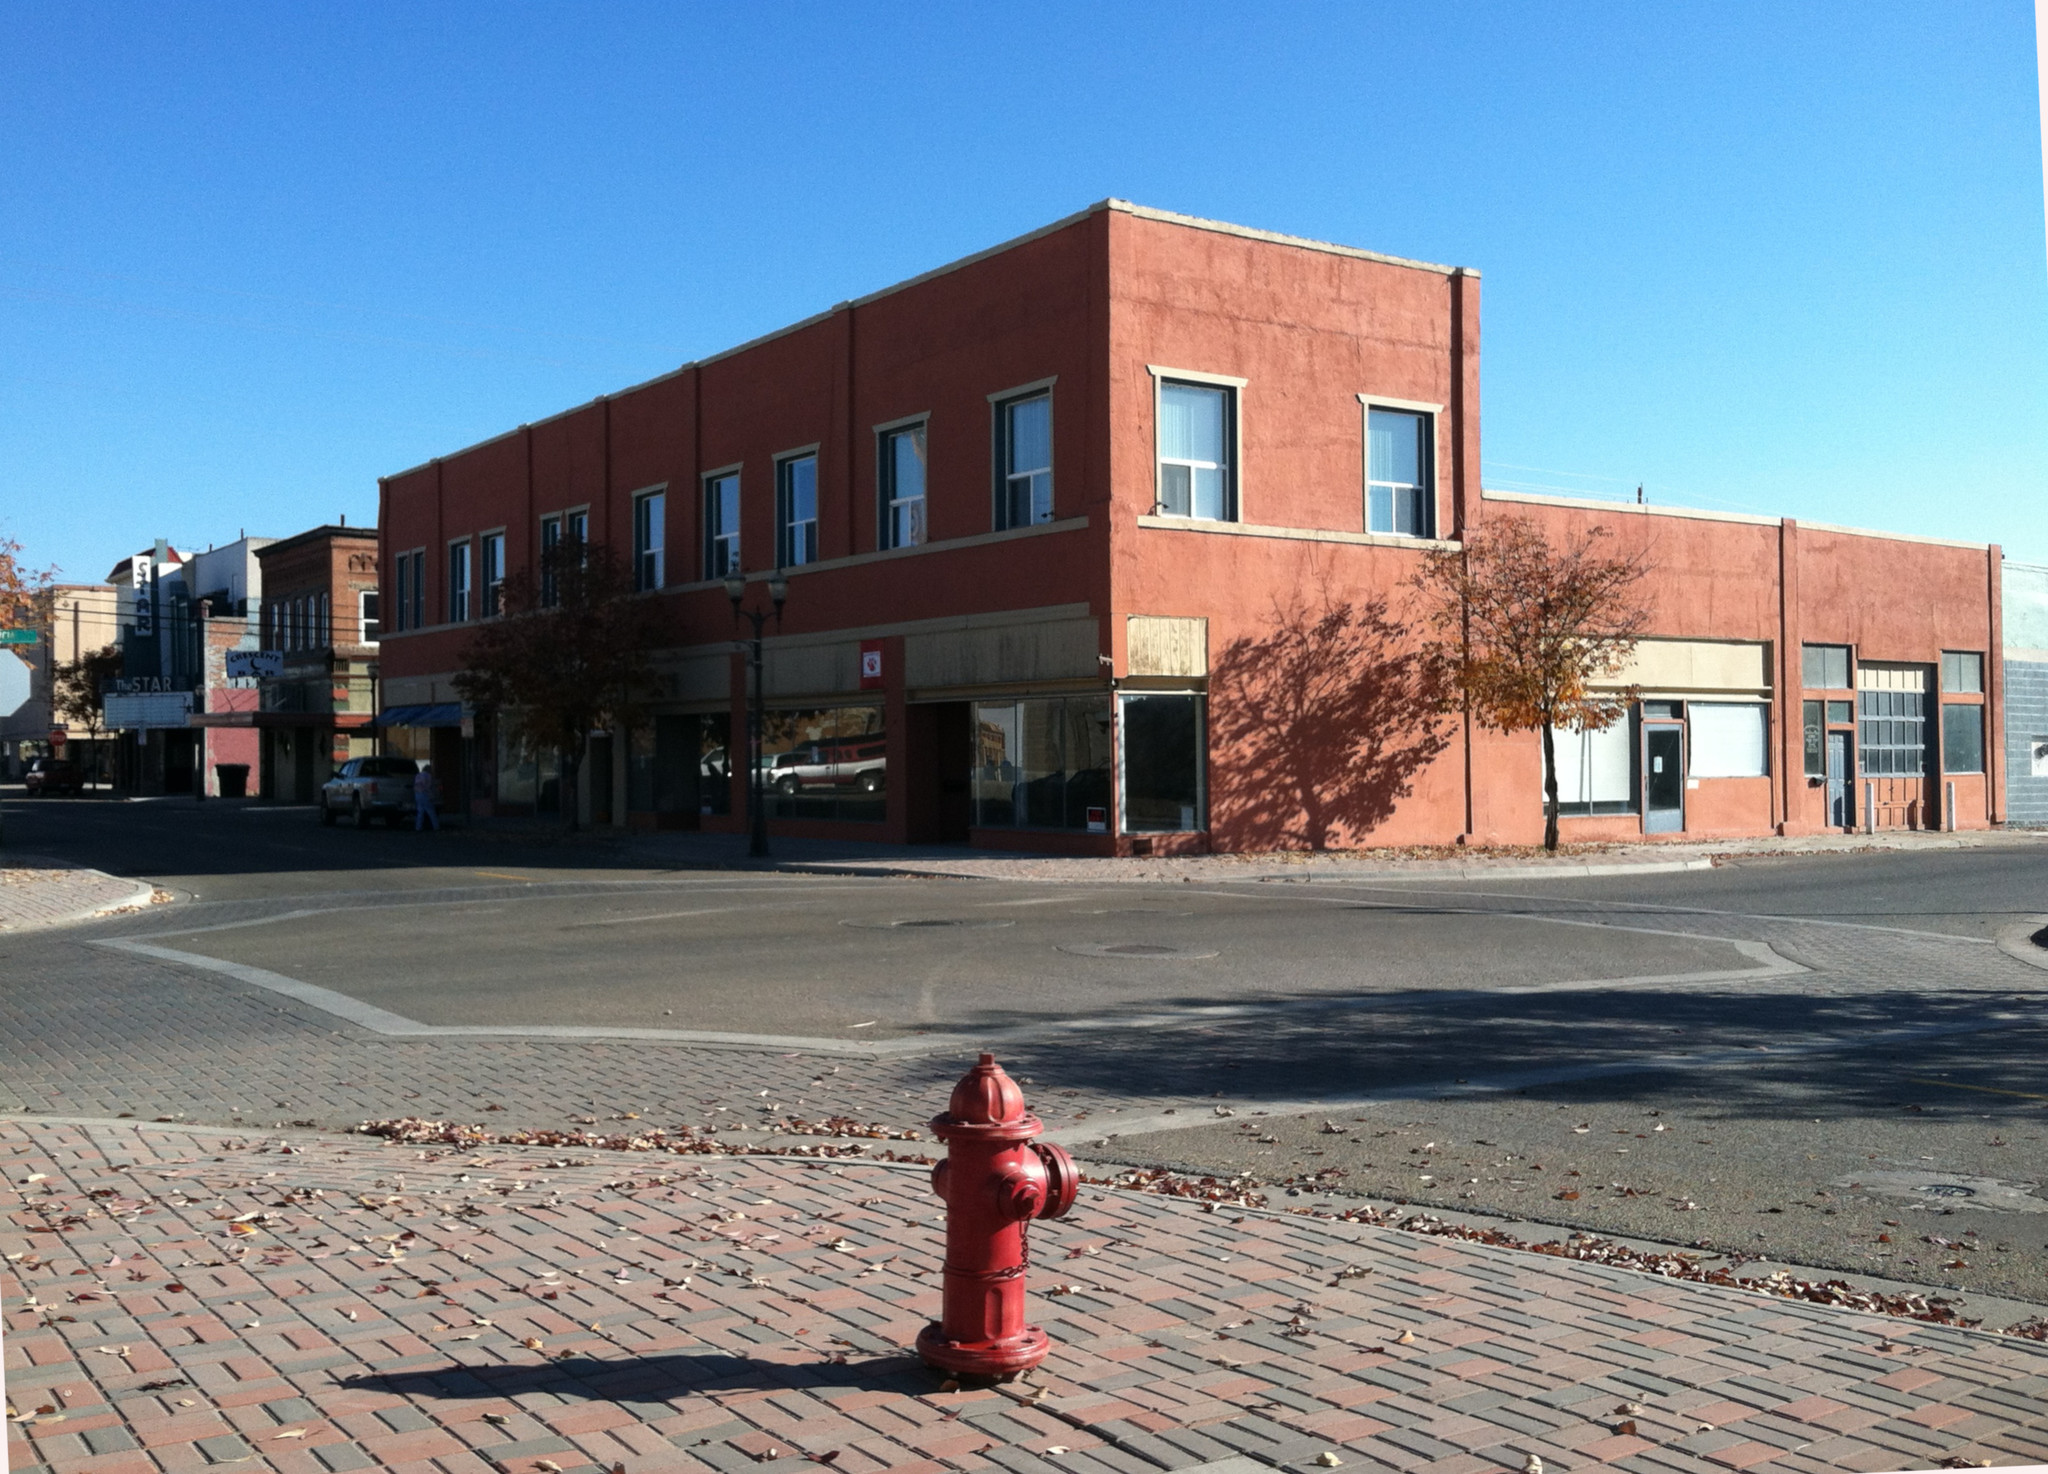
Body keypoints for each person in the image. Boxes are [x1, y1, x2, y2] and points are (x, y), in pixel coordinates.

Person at [413, 760, 440, 831]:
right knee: (431, 811)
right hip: (424, 794)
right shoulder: (428, 776)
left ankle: (418, 827)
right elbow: (428, 786)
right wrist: (432, 794)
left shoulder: (418, 775)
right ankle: (436, 827)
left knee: (420, 811)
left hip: (417, 794)